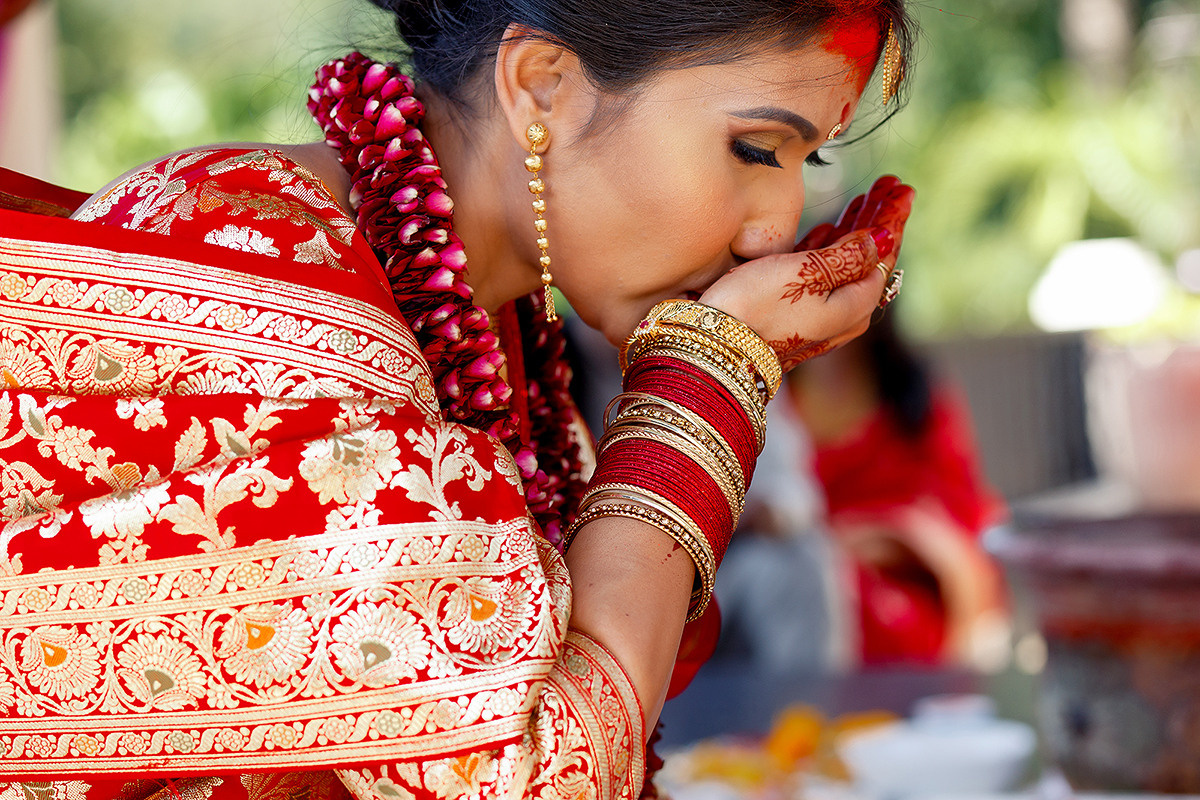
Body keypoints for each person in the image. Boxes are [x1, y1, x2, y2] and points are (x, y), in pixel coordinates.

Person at [0, 2, 916, 797]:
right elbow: (538, 770)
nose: (774, 230)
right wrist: (712, 370)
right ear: (542, 83)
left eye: (805, 161)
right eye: (755, 149)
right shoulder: (276, 280)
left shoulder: (492, 310)